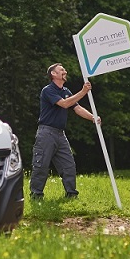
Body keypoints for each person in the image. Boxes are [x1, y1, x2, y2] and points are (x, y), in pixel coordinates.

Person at [29, 63, 100, 199]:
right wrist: (83, 92)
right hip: (46, 133)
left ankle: (71, 194)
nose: (65, 71)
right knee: (41, 165)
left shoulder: (66, 91)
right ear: (53, 74)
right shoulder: (48, 90)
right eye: (61, 70)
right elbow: (64, 104)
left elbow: (77, 108)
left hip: (60, 134)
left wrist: (93, 117)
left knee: (68, 165)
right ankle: (36, 195)